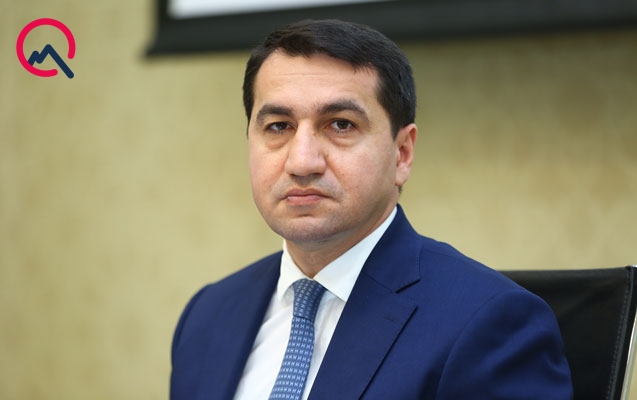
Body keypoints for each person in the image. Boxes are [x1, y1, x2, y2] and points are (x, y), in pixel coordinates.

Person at [170, 19, 572, 400]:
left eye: (340, 125)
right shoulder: (208, 315)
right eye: (279, 126)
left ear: (402, 153)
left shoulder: (491, 324)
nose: (302, 162)